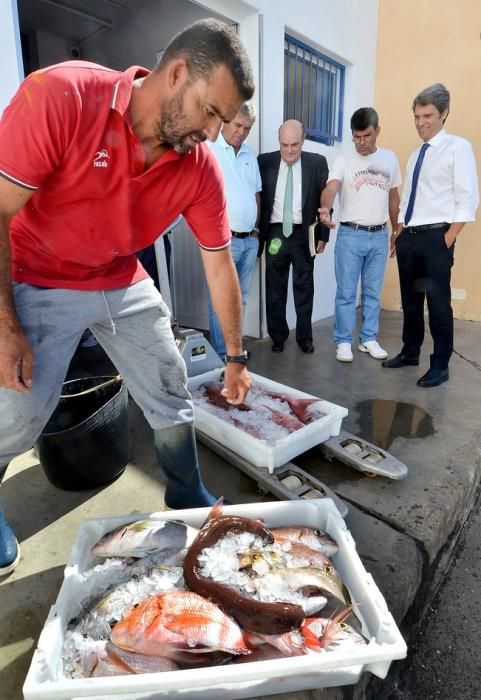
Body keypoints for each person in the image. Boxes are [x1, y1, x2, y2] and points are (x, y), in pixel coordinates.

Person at [0, 18, 255, 576]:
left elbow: (219, 264)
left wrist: (235, 358)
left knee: (169, 380)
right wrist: (4, 325)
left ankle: (185, 490)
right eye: (211, 112)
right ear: (179, 73)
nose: (214, 134)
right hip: (39, 273)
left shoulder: (198, 167)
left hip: (120, 275)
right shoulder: (62, 94)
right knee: (18, 415)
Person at [382, 83, 479, 387]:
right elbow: (411, 197)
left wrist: (448, 237)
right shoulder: (414, 155)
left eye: (428, 115)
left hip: (436, 238)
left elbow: (468, 196)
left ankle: (440, 364)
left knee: (438, 304)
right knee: (411, 303)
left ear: (444, 113)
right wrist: (399, 231)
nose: (421, 122)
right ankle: (410, 353)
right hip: (410, 237)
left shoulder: (457, 148)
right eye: (416, 116)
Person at [319, 107, 401, 363]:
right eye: (356, 137)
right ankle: (343, 341)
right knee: (346, 291)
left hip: (379, 235)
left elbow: (393, 196)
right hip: (350, 235)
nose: (361, 143)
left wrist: (396, 229)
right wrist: (325, 208)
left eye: (366, 136)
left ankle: (368, 339)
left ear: (378, 131)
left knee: (372, 292)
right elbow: (331, 188)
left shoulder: (389, 159)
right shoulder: (344, 160)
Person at [258, 120, 329, 354]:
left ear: (303, 141)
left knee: (304, 287)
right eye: (284, 145)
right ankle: (278, 336)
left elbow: (325, 203)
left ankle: (304, 337)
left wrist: (323, 235)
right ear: (279, 142)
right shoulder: (264, 162)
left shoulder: (317, 163)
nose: (289, 150)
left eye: (294, 145)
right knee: (274, 287)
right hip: (276, 233)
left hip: (303, 234)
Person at [207, 102, 261, 359]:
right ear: (226, 120)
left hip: (249, 241)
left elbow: (256, 194)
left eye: (247, 128)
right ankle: (222, 355)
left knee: (240, 300)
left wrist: (256, 229)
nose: (241, 132)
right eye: (238, 125)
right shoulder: (209, 148)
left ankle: (234, 350)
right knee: (221, 299)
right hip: (223, 243)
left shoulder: (250, 155)